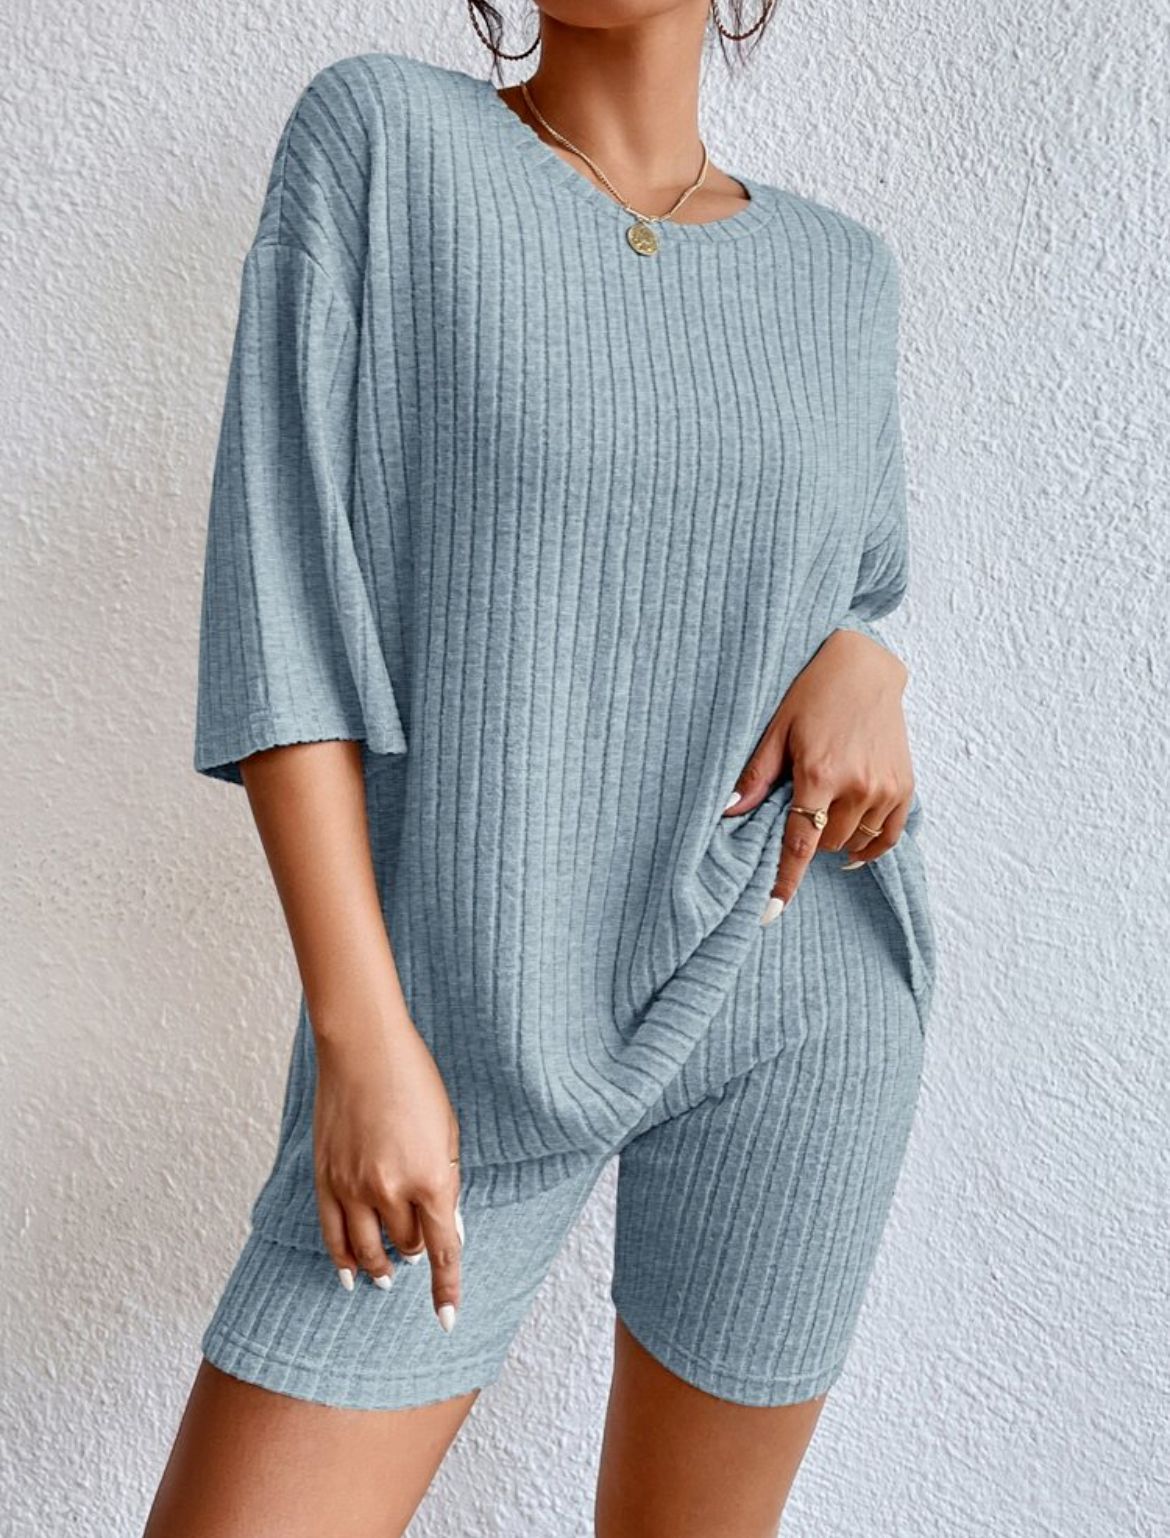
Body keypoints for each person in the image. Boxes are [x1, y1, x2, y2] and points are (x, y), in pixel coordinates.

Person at [146, 4, 937, 1533]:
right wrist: (361, 1033)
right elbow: (284, 605)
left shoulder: (841, 276)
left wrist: (867, 660)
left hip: (791, 987)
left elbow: (832, 588)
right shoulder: (384, 142)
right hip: (458, 1030)